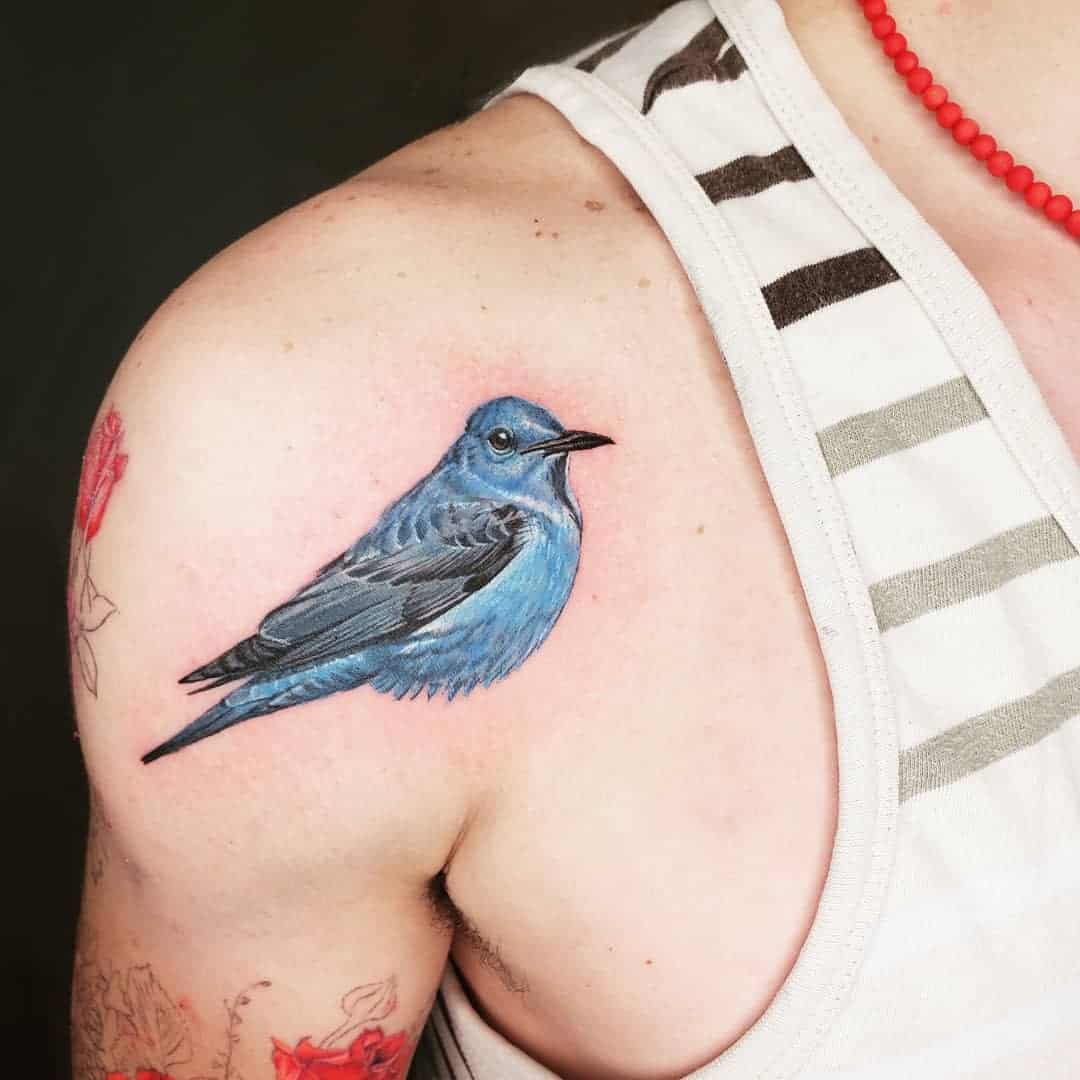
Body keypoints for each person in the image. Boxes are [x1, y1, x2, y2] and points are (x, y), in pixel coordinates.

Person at [70, 0, 1080, 1077]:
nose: (546, 453)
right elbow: (386, 600)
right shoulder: (295, 402)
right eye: (521, 444)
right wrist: (261, 664)